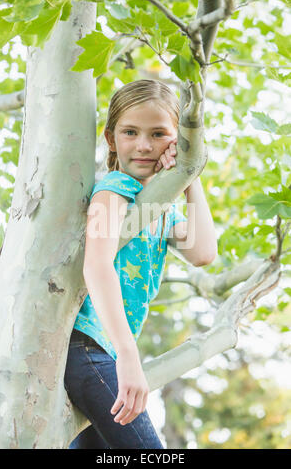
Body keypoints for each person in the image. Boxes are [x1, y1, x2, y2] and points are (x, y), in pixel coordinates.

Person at [64, 79, 217, 449]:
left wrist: (188, 174)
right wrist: (128, 355)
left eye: (159, 133)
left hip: (107, 351)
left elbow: (203, 252)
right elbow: (96, 266)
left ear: (177, 141)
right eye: (130, 132)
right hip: (88, 348)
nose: (145, 145)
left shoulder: (158, 207)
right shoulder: (114, 190)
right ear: (112, 139)